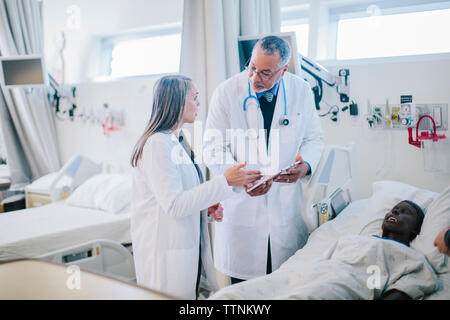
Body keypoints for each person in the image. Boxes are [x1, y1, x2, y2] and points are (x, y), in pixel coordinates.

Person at [203, 35, 324, 283]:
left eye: (265, 73)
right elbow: (212, 146)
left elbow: (314, 138)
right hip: (242, 212)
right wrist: (236, 176)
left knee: (285, 285)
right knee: (245, 292)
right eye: (252, 68)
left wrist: (306, 166)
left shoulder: (300, 90)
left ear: (283, 71)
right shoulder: (227, 92)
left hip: (285, 210)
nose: (255, 78)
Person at [130, 75, 262, 299]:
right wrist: (225, 181)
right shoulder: (157, 145)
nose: (199, 104)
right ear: (178, 101)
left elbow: (183, 196)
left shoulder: (176, 140)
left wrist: (206, 207)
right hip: (164, 257)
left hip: (184, 250)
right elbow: (174, 205)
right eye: (195, 98)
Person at [210, 200, 438, 300]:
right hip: (303, 277)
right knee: (230, 295)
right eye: (394, 208)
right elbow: (319, 265)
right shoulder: (351, 239)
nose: (395, 212)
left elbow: (401, 294)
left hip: (345, 286)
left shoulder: (413, 260)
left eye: (404, 212)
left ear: (416, 229)